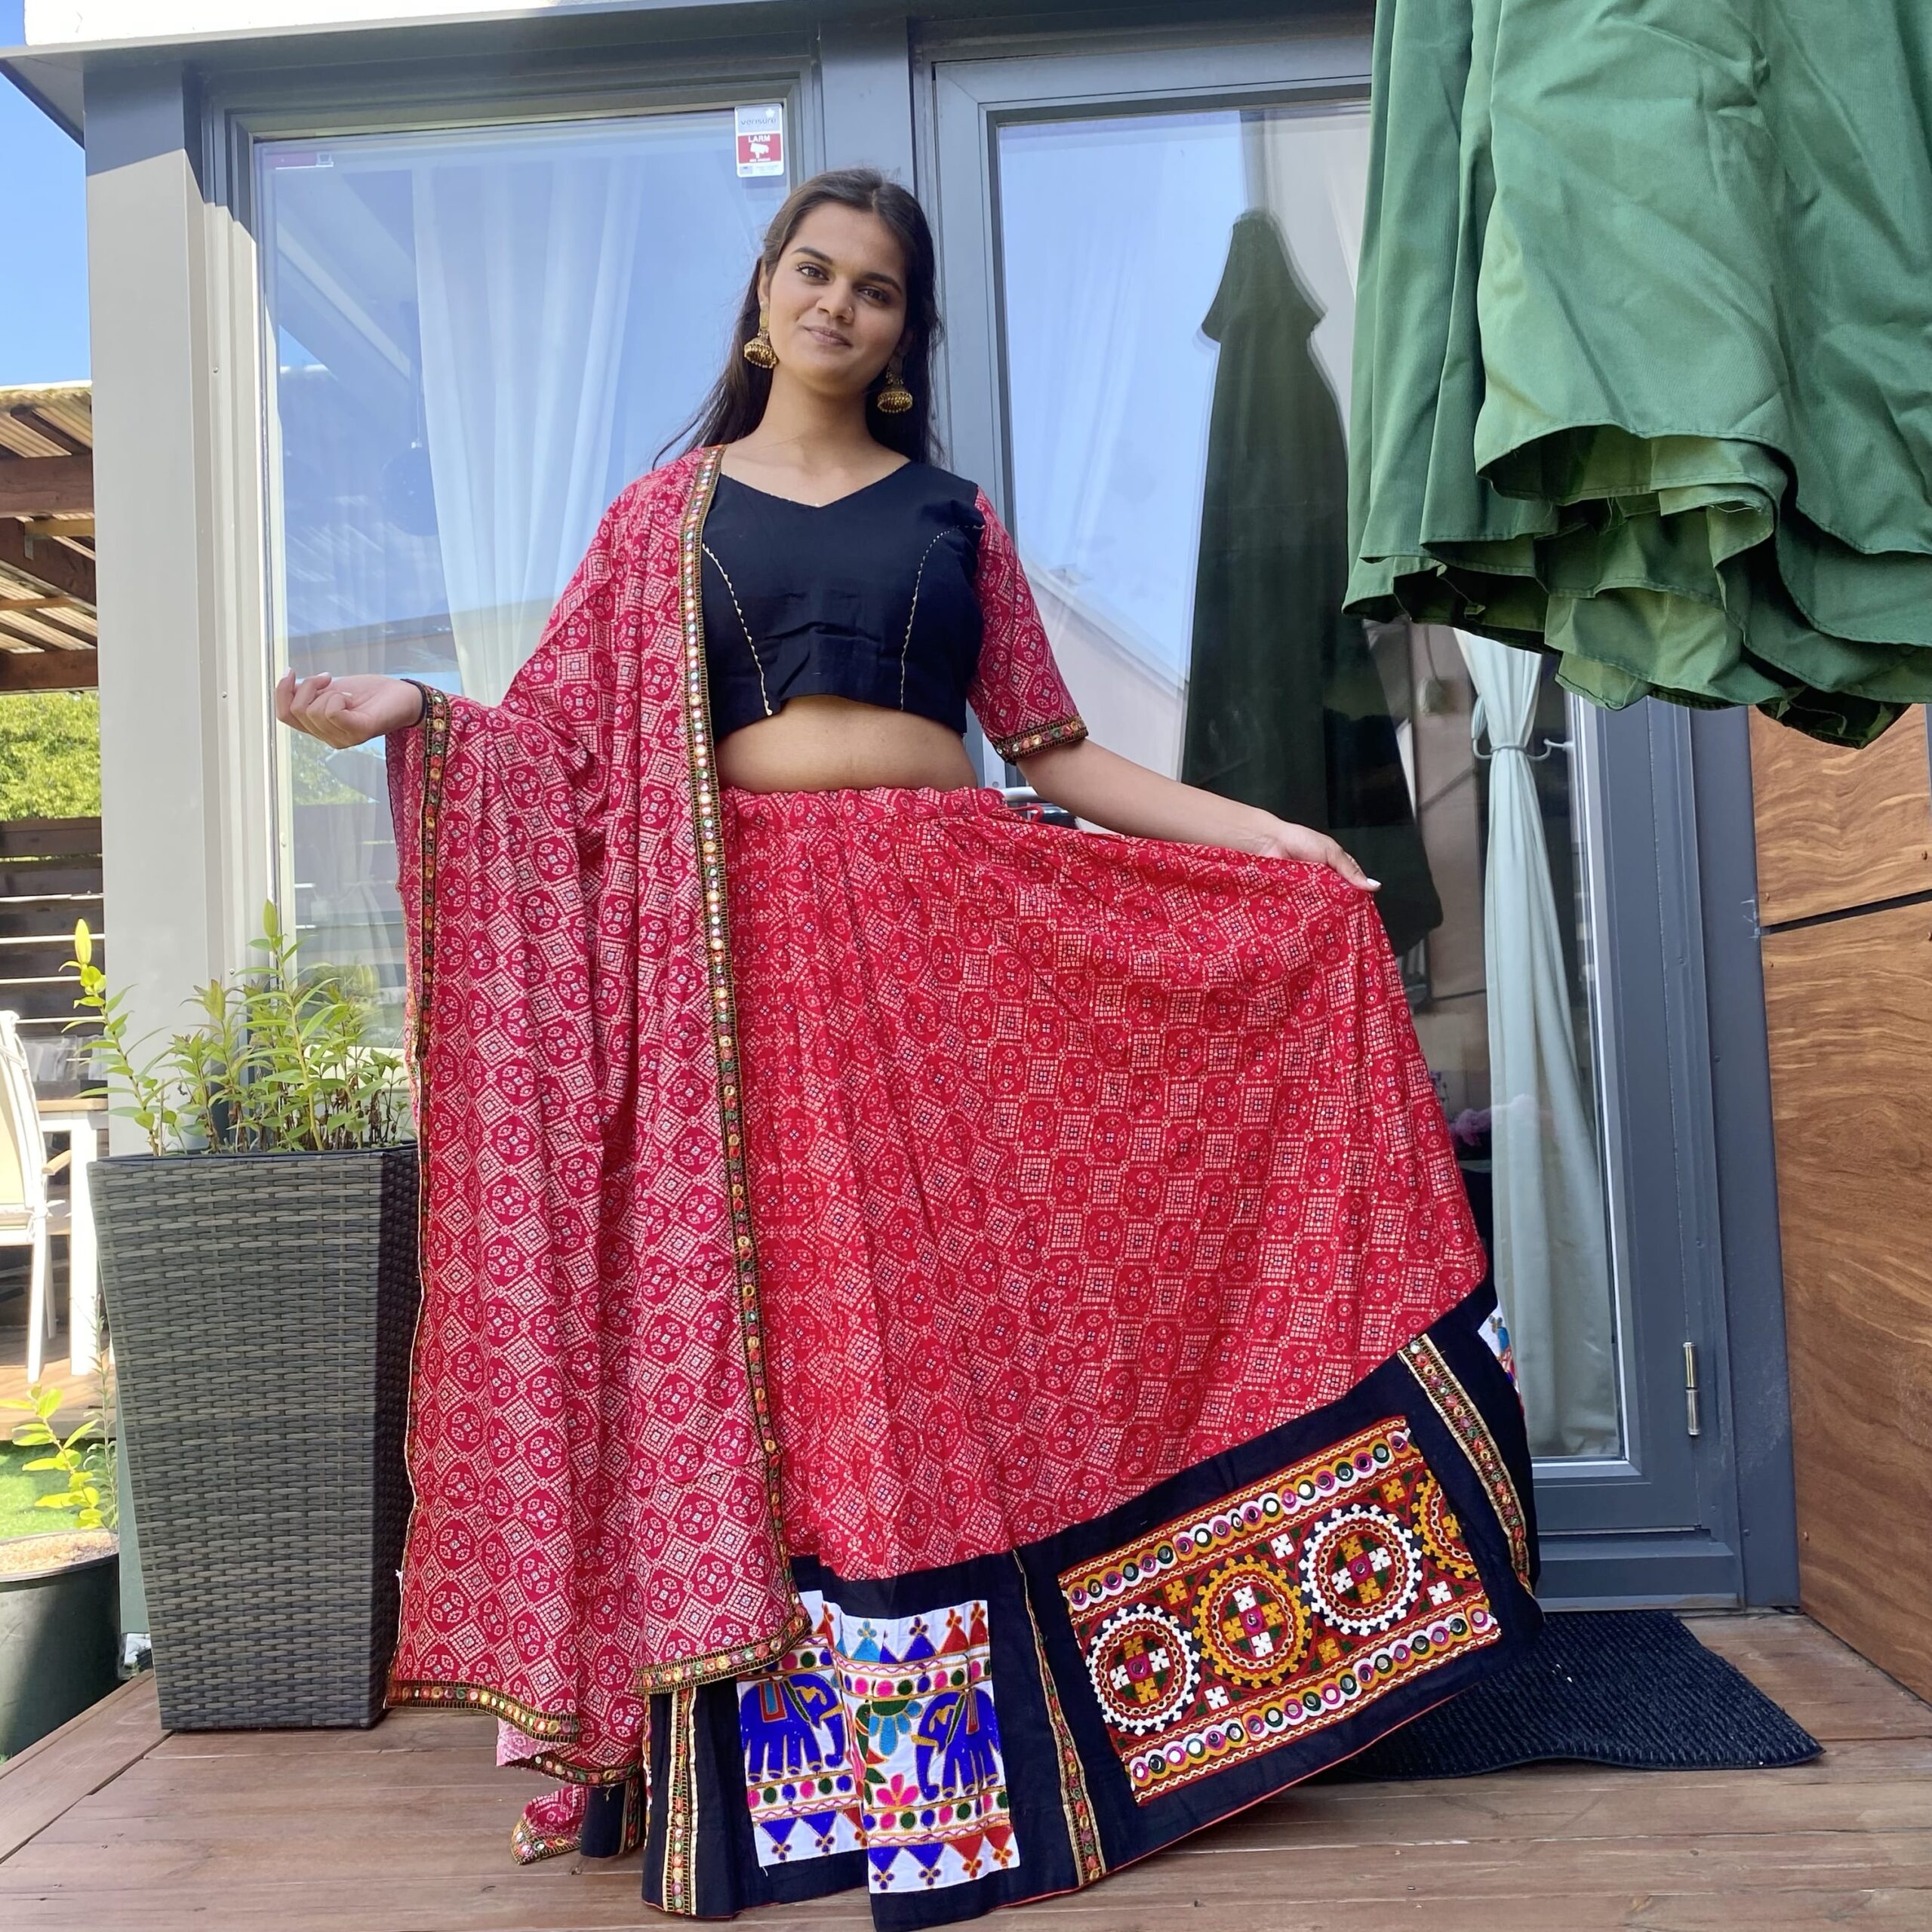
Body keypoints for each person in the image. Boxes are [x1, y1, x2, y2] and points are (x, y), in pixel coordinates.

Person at [277, 168, 1537, 1925]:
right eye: (813, 271)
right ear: (762, 296)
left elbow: (1055, 748)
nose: (838, 304)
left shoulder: (951, 514)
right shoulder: (661, 521)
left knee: (965, 1329)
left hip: (956, 942)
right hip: (745, 972)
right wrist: (416, 705)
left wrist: (1266, 839)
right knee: (803, 1345)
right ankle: (820, 1769)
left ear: (901, 334)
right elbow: (560, 754)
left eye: (874, 288)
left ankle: (1037, 1729)